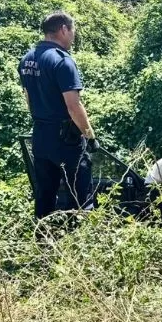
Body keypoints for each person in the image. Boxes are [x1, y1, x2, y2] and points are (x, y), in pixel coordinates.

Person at [20, 11, 99, 218]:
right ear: (63, 29)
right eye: (72, 31)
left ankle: (43, 241)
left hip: (40, 136)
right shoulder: (63, 61)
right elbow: (74, 106)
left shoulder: (27, 58)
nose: (73, 35)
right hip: (66, 140)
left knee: (45, 195)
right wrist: (89, 136)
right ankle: (79, 242)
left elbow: (28, 97)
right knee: (80, 197)